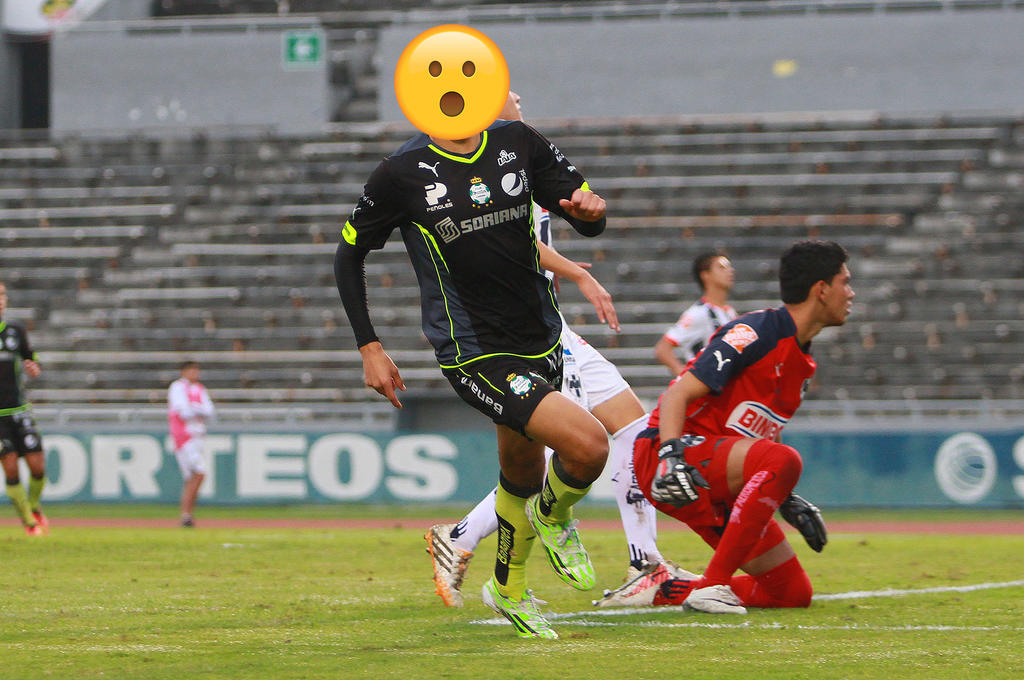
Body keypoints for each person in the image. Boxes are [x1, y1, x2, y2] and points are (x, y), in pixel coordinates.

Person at [335, 90, 610, 639]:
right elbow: (349, 253)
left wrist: (591, 213)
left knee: (523, 474)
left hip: (541, 335)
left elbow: (582, 217)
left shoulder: (519, 142)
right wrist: (369, 346)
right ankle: (555, 520)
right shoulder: (401, 172)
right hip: (471, 348)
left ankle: (506, 590)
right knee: (590, 446)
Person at [424, 92, 691, 612]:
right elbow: (509, 242)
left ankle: (646, 563)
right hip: (522, 336)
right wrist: (579, 272)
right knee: (556, 456)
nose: (520, 98)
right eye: (510, 93)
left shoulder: (524, 158)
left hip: (555, 327)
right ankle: (469, 545)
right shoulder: (476, 172)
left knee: (633, 427)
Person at [632, 240, 851, 614]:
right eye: (845, 282)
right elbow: (676, 395)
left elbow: (762, 432)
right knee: (787, 460)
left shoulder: (802, 362)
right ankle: (714, 586)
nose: (851, 293)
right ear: (821, 289)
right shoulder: (756, 330)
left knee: (791, 594)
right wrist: (671, 456)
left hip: (719, 476)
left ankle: (666, 586)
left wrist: (783, 498)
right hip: (671, 455)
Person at [0, 281, 48, 536]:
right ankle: (30, 523)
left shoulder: (15, 329)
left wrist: (33, 367)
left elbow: (31, 357)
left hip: (19, 410)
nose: (0, 300)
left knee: (38, 465)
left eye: (2, 295)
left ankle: (34, 505)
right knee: (10, 467)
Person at [654, 252, 737, 376]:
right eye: (722, 267)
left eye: (729, 267)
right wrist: (685, 377)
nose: (730, 271)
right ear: (705, 275)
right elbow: (662, 349)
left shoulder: (730, 312)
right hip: (709, 388)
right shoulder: (699, 313)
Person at [167, 360, 215, 528]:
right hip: (184, 437)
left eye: (196, 370)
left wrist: (194, 407)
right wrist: (197, 407)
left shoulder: (200, 388)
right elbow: (184, 412)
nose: (195, 374)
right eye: (191, 370)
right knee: (198, 474)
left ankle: (187, 516)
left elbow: (210, 411)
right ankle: (186, 514)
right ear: (184, 372)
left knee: (192, 477)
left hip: (198, 437)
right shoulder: (177, 387)